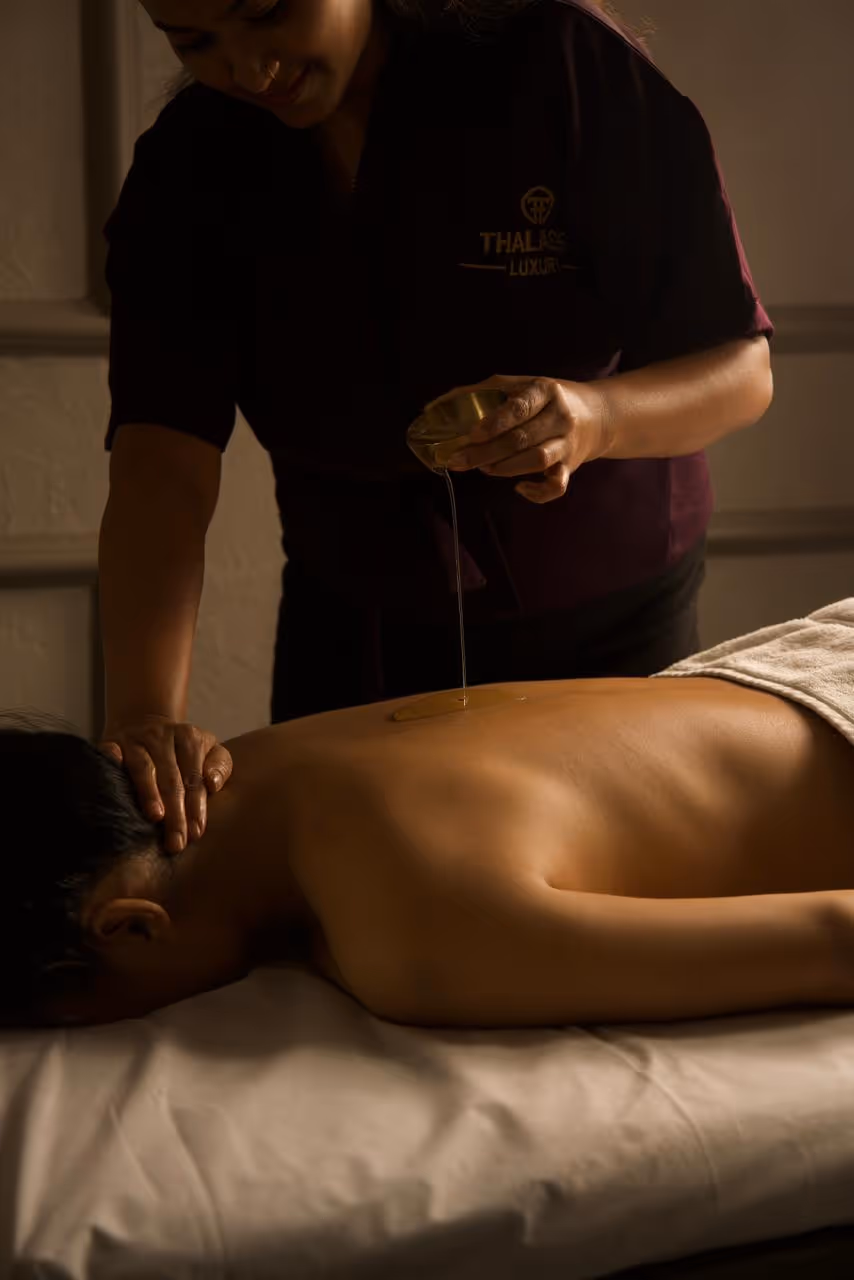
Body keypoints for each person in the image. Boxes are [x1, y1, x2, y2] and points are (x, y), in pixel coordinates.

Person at [100, 0, 774, 860]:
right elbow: (162, 464)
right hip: (352, 617)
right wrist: (147, 715)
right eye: (194, 42)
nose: (248, 68)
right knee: (351, 887)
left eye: (270, 13)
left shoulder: (558, 64)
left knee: (610, 879)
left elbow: (741, 371)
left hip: (606, 611)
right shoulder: (189, 166)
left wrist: (593, 418)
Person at [6, 600, 854, 1032]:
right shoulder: (256, 761)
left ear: (132, 927)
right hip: (807, 648)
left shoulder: (409, 937)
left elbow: (837, 940)